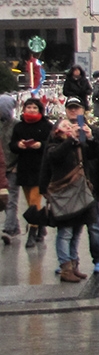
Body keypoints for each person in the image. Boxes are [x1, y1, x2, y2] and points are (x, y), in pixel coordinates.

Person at [41, 103, 99, 281]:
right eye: (64, 124)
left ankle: (78, 263)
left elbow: (98, 156)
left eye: (77, 108)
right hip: (64, 193)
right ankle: (66, 266)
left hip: (85, 190)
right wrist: (43, 189)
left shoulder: (86, 135)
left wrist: (89, 138)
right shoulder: (57, 144)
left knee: (82, 228)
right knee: (66, 231)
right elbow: (51, 160)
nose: (73, 113)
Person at [10, 97, 52, 248]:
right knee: (30, 202)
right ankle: (40, 226)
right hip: (24, 168)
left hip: (40, 169)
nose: (31, 110)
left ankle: (32, 234)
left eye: (34, 107)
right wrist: (19, 145)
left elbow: (52, 144)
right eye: (29, 107)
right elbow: (12, 145)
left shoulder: (46, 125)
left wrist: (41, 145)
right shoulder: (19, 127)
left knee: (35, 201)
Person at [0, 94, 19, 244]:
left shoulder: (17, 125)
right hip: (2, 167)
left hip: (12, 167)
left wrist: (17, 167)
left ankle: (9, 229)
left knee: (11, 199)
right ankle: (15, 226)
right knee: (6, 199)